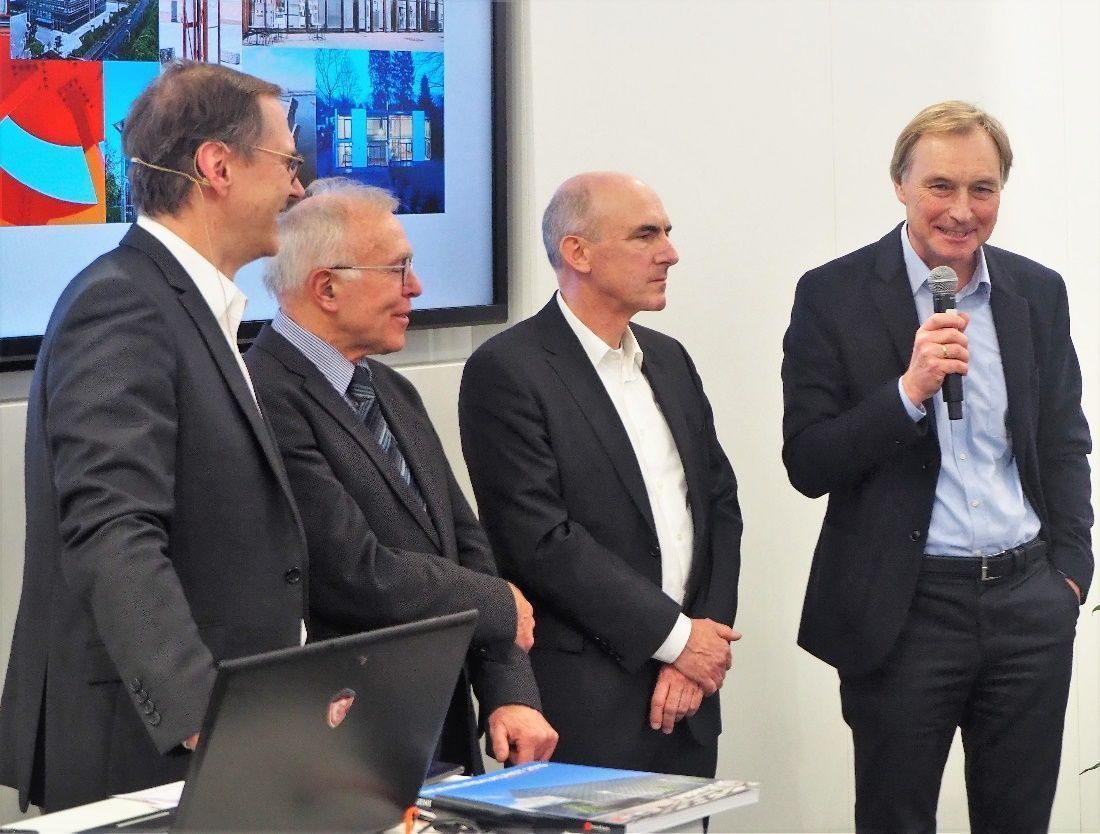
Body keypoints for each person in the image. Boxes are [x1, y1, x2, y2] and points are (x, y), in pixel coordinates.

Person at [0, 61, 310, 812]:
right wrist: (202, 713)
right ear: (217, 167)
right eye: (287, 162)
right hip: (149, 746)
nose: (298, 187)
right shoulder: (123, 304)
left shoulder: (192, 306)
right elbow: (112, 529)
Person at [782, 101, 1092, 833]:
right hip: (906, 609)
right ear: (900, 185)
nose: (961, 210)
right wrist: (908, 392)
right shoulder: (832, 294)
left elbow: (1062, 440)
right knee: (896, 819)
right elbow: (808, 460)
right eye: (940, 186)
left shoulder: (1036, 291)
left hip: (1028, 602)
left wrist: (1070, 573)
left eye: (982, 189)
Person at [244, 178, 558, 773]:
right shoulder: (262, 397)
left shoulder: (390, 389)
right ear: (327, 287)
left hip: (440, 732)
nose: (416, 287)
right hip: (344, 744)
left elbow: (467, 547)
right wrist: (497, 604)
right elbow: (350, 571)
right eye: (398, 269)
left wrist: (510, 692)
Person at [458, 171, 742, 777]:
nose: (670, 252)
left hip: (689, 695)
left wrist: (702, 645)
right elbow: (540, 541)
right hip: (587, 703)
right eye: (645, 235)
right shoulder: (507, 370)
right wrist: (676, 639)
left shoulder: (669, 359)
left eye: (666, 232)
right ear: (577, 252)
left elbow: (719, 504)